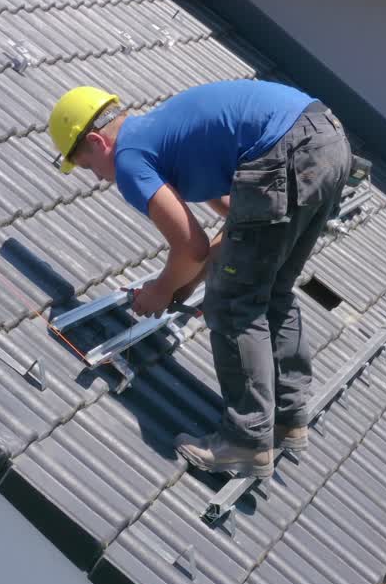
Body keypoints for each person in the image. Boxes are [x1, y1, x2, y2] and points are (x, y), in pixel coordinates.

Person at [48, 79, 351, 477]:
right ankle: (288, 417)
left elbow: (190, 248)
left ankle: (245, 442)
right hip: (326, 140)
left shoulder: (130, 160)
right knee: (269, 288)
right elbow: (238, 224)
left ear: (97, 141)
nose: (99, 179)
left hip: (287, 150)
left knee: (231, 303)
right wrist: (190, 281)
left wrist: (161, 291)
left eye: (89, 166)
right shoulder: (171, 140)